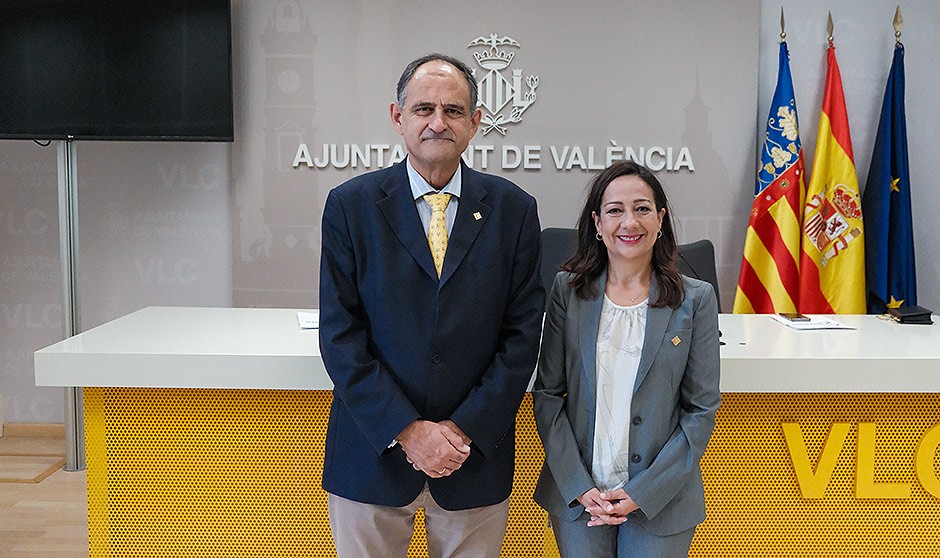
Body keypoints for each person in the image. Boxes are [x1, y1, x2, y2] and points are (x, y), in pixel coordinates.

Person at [318, 53, 544, 557]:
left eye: (454, 110)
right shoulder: (350, 206)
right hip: (372, 456)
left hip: (473, 459)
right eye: (423, 109)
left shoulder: (514, 209)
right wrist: (408, 430)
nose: (438, 122)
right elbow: (340, 334)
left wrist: (460, 430)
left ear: (475, 122)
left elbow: (523, 335)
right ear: (398, 118)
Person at [532, 161, 721, 557]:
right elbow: (548, 394)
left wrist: (643, 492)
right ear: (598, 224)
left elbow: (701, 409)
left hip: (660, 498)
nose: (629, 221)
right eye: (615, 210)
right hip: (581, 495)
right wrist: (578, 485)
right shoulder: (568, 290)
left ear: (660, 219)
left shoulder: (696, 298)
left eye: (642, 208)